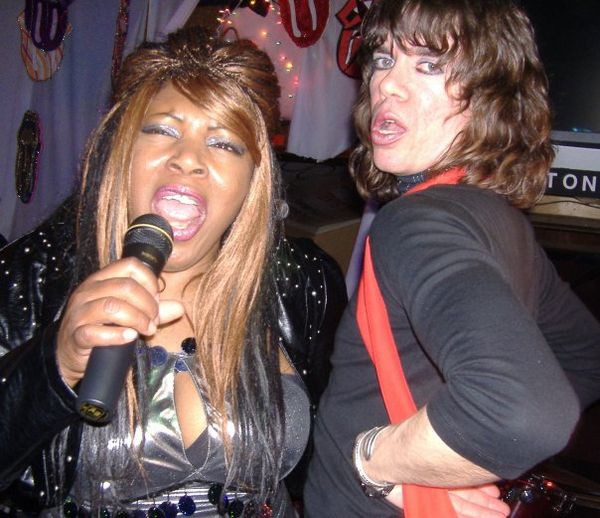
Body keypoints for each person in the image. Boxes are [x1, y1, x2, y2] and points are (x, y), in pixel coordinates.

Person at [0, 27, 346, 516]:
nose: (188, 159)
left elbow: (335, 456)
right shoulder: (33, 276)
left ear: (254, 177)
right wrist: (54, 364)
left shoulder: (303, 284)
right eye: (163, 130)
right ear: (120, 148)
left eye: (224, 143)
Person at [304, 0, 600, 516]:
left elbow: (526, 412)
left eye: (429, 65)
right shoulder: (499, 219)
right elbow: (584, 356)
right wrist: (453, 459)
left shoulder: (417, 221)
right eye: (383, 59)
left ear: (490, 99)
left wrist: (375, 461)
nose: (386, 85)